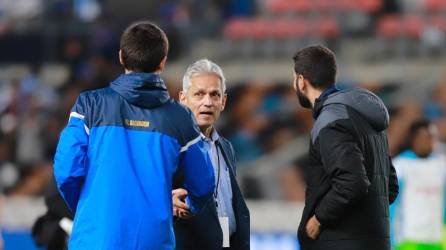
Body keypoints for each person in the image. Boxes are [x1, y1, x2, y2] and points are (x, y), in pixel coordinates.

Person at [53, 21, 215, 250]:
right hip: (153, 242)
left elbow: (66, 170)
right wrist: (188, 204)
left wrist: (88, 209)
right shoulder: (181, 118)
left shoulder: (89, 105)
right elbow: (204, 183)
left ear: (121, 56)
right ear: (162, 62)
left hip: (93, 239)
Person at [291, 45, 399, 250]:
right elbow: (390, 188)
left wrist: (319, 218)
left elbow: (352, 182)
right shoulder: (365, 119)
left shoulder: (331, 120)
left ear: (301, 81)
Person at [172, 59, 250, 250]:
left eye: (214, 95)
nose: (207, 102)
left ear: (223, 102)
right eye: (199, 94)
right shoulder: (169, 144)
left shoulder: (226, 147)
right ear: (183, 98)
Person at [391, 120, 445, 250]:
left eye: (432, 137)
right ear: (413, 139)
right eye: (425, 137)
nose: (429, 141)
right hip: (408, 239)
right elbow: (390, 203)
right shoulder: (400, 166)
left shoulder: (441, 165)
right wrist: (391, 238)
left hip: (436, 239)